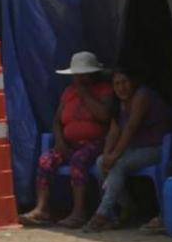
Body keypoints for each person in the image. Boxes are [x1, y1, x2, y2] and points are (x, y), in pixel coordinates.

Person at [19, 52, 112, 228]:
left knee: (79, 160)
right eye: (76, 75)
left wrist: (85, 94)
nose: (78, 78)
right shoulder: (69, 92)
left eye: (82, 74)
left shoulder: (104, 90)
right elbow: (57, 121)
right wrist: (60, 141)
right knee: (46, 161)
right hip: (69, 144)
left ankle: (79, 212)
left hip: (96, 143)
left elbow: (105, 116)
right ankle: (41, 209)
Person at [84, 68, 171, 232]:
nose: (121, 87)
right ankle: (127, 207)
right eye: (116, 84)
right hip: (134, 150)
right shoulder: (119, 102)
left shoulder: (142, 95)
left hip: (155, 149)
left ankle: (102, 214)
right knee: (100, 162)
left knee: (118, 164)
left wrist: (115, 156)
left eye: (125, 82)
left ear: (133, 82)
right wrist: (108, 154)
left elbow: (131, 128)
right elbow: (113, 131)